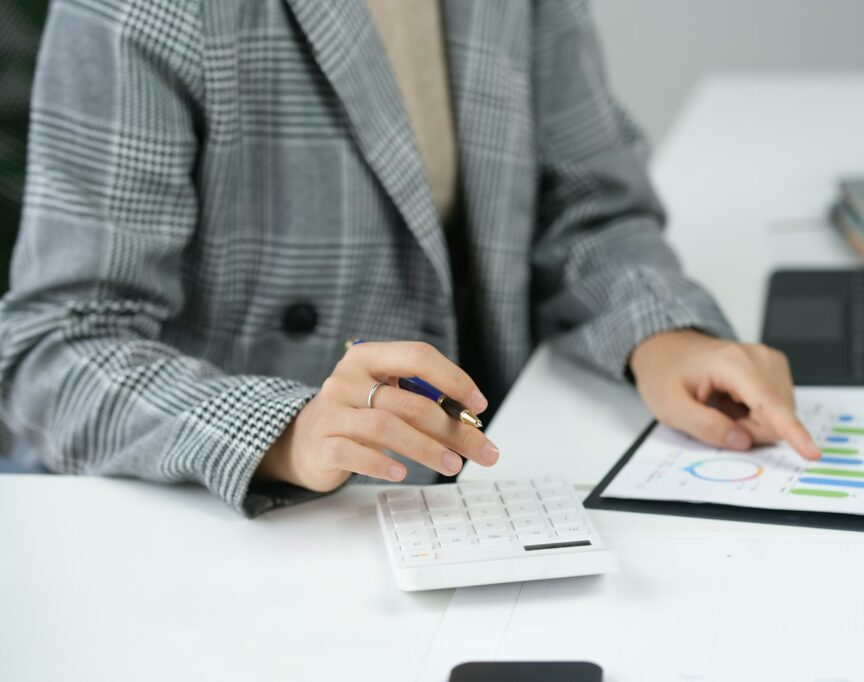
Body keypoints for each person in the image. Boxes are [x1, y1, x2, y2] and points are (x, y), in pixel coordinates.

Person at [0, 0, 818, 517]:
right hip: (225, 537)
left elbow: (587, 204)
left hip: (485, 498)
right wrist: (288, 429)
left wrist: (663, 335)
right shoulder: (134, 10)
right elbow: (56, 348)